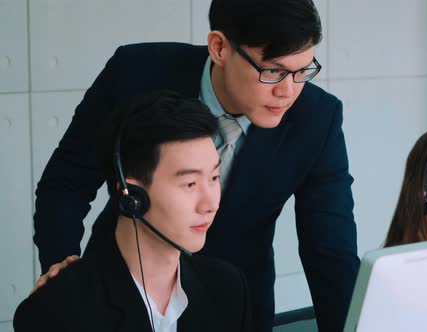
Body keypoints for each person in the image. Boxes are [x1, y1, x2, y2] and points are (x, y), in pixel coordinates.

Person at [32, 0, 359, 330]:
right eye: (273, 71)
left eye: (302, 71)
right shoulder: (135, 73)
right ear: (219, 47)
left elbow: (330, 250)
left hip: (237, 301)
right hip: (120, 286)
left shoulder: (318, 117)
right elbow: (67, 182)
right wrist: (64, 271)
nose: (288, 92)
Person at [15, 91, 251, 331]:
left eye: (213, 177)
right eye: (190, 184)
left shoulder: (228, 288)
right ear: (132, 196)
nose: (210, 203)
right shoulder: (56, 311)